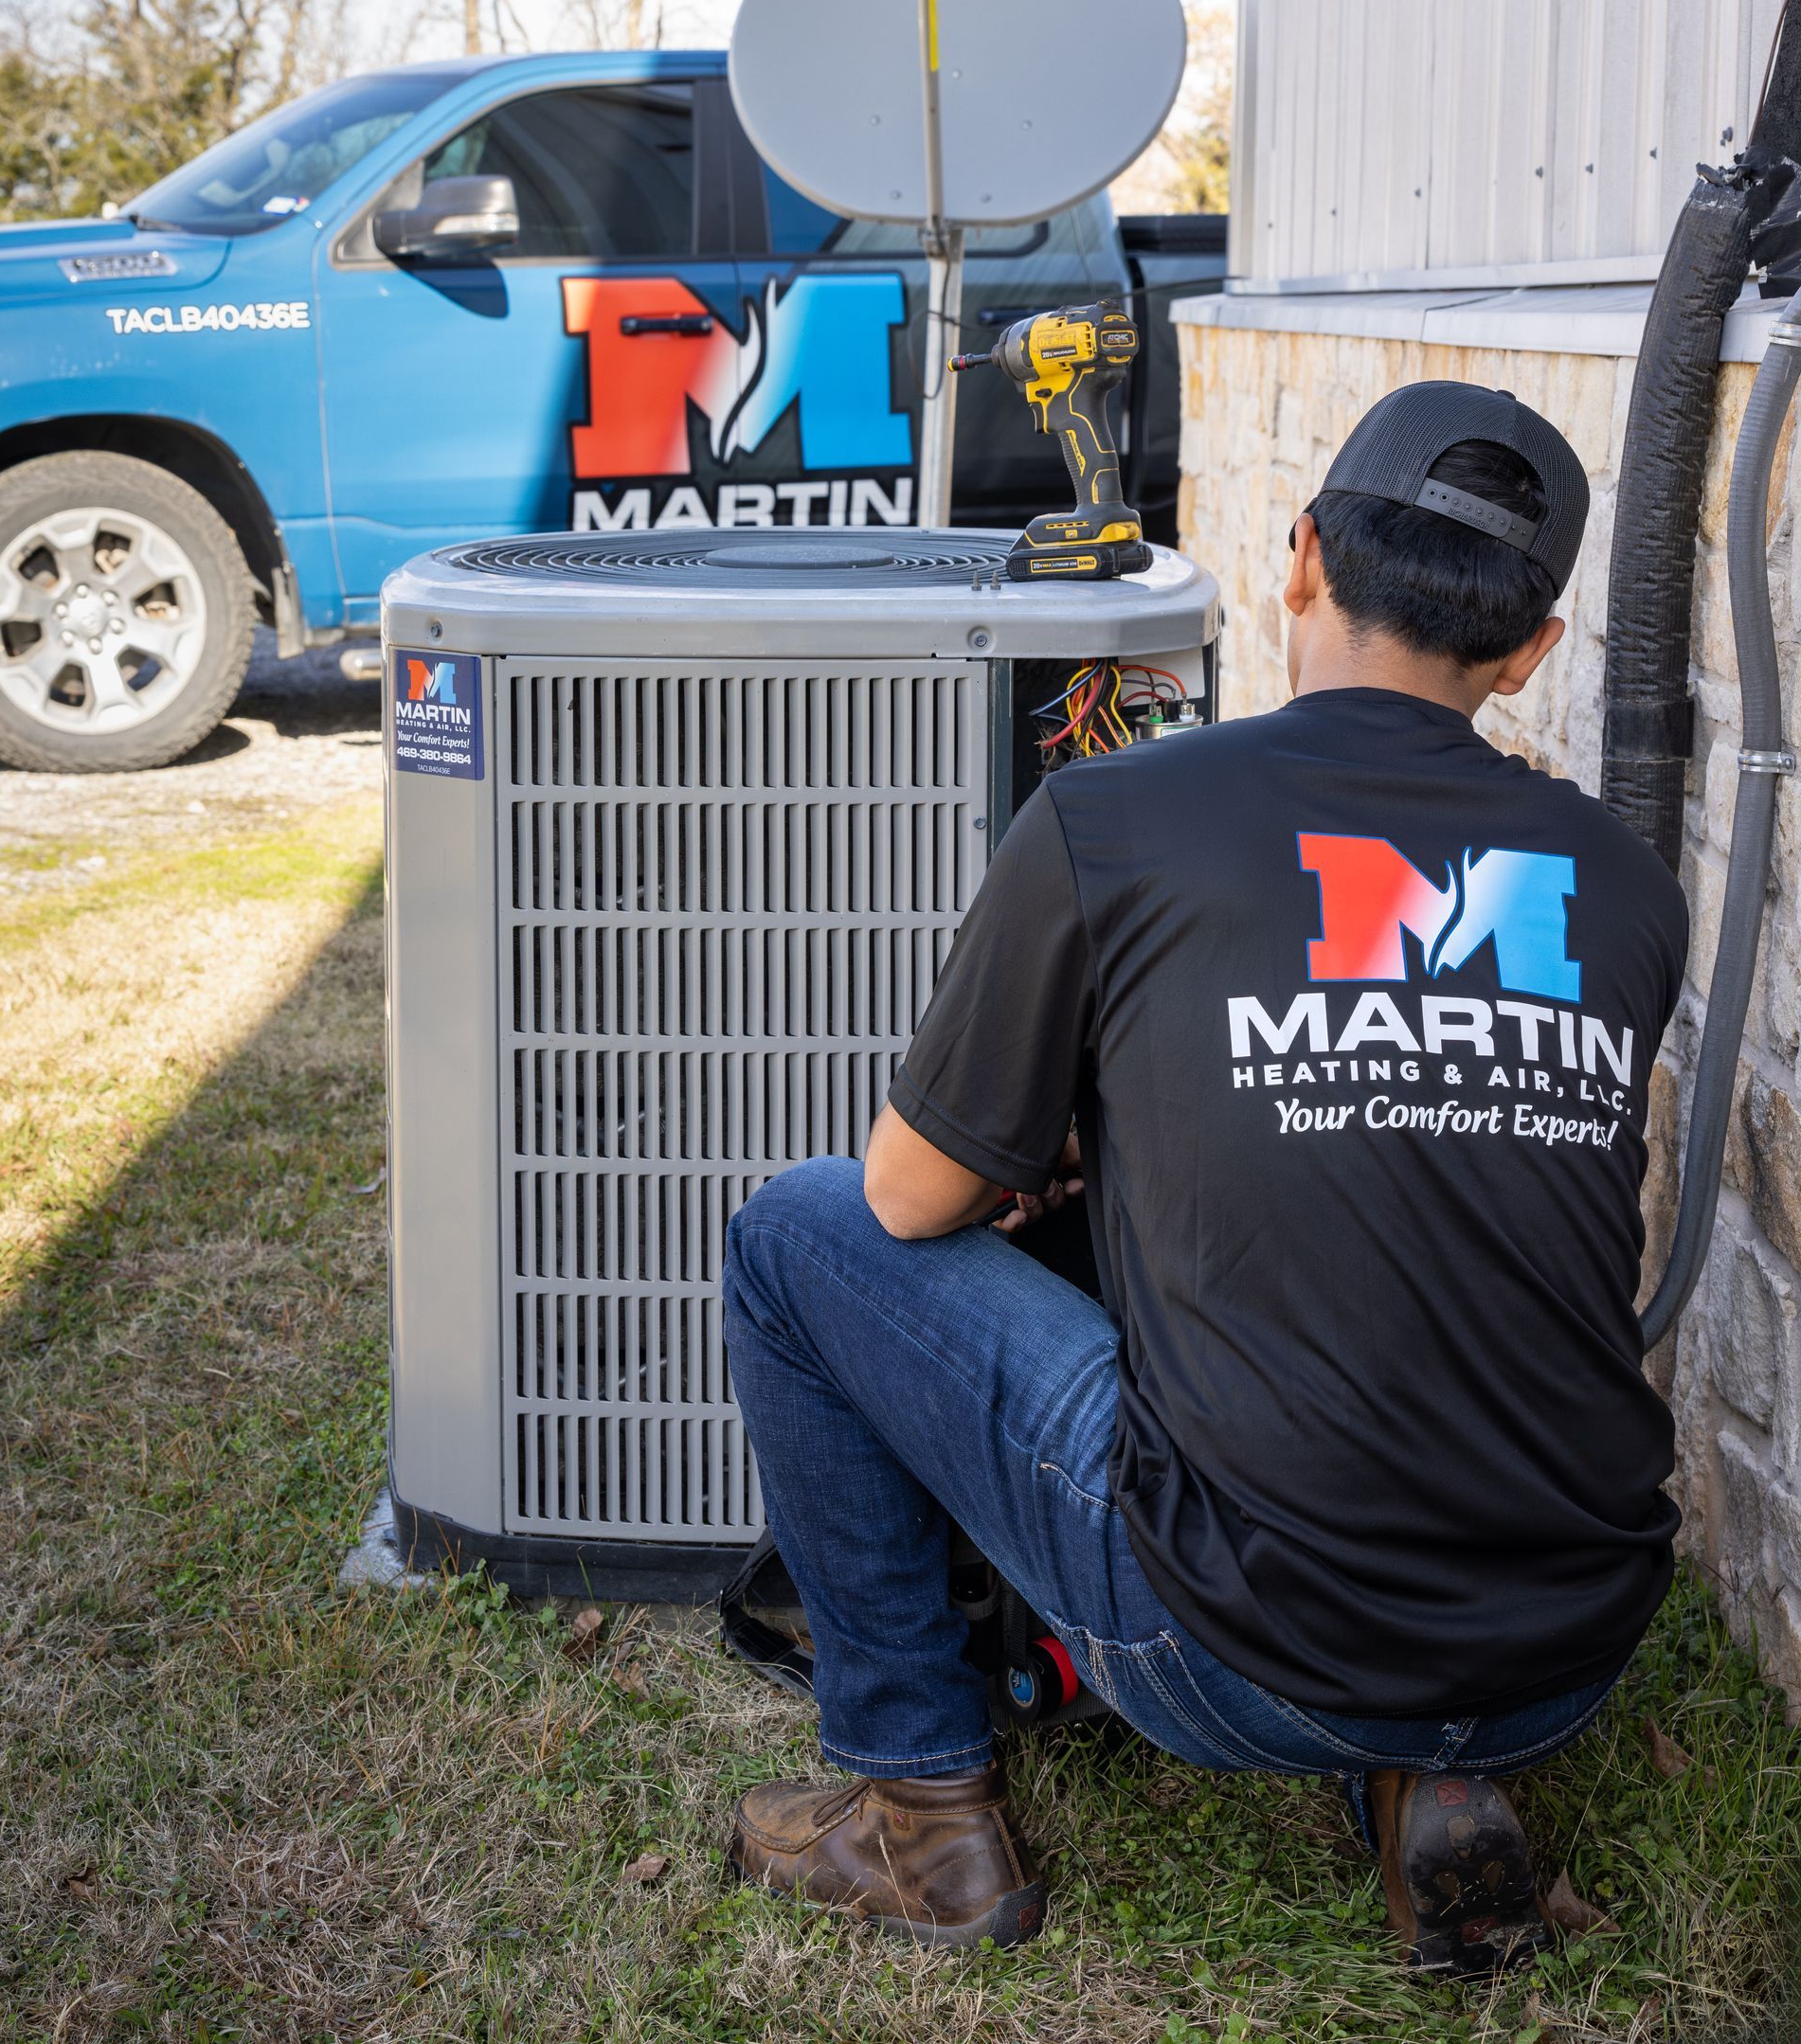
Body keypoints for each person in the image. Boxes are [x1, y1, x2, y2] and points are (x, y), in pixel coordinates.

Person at [720, 381, 1686, 1976]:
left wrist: (1058, 1151)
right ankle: (1434, 1768)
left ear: (1297, 558)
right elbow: (1421, 1137)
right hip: (1570, 1642)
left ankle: (916, 1809)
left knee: (798, 1231)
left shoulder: (1120, 819)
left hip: (1234, 1659)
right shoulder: (1625, 885)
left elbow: (907, 1201)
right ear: (1532, 652)